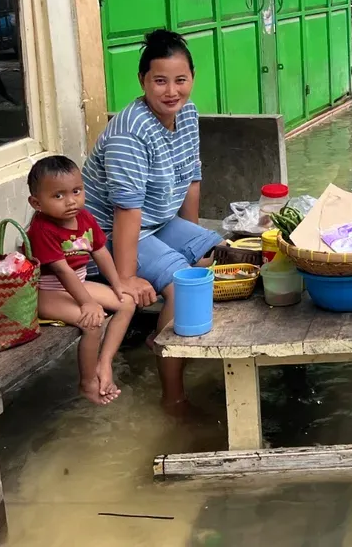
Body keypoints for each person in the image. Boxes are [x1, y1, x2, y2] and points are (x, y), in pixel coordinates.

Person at [82, 29, 225, 414]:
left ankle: (161, 340)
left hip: (156, 224)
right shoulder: (130, 132)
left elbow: (191, 179)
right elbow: (125, 212)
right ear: (142, 81)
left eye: (180, 80)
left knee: (219, 254)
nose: (171, 91)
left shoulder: (188, 114)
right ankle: (173, 397)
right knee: (184, 288)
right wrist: (125, 278)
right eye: (160, 81)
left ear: (192, 78)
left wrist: (194, 242)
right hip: (108, 236)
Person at [26, 155, 136, 406]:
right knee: (93, 323)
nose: (70, 201)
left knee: (127, 302)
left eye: (76, 191)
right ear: (36, 203)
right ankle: (87, 382)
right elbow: (62, 271)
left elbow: (100, 251)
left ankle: (104, 362)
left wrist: (117, 283)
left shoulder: (85, 218)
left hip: (77, 284)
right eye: (58, 195)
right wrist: (87, 303)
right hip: (47, 293)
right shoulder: (41, 229)